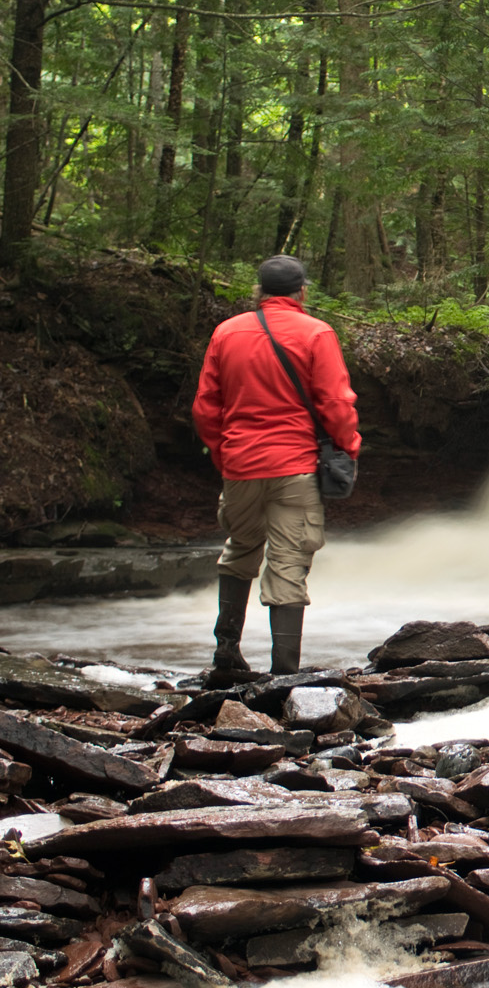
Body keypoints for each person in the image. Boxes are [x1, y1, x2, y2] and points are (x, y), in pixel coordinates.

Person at [191, 255, 360, 679]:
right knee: (288, 564)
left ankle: (226, 652)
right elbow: (336, 403)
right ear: (302, 291)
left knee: (240, 548)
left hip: (240, 465)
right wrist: (348, 447)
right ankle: (284, 676)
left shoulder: (226, 333)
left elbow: (206, 407)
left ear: (260, 291)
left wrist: (223, 452)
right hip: (295, 468)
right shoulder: (316, 333)